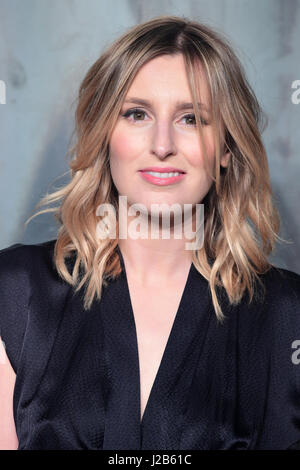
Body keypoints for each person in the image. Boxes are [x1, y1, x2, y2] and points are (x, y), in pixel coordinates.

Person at [1, 15, 300, 451]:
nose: (162, 145)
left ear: (227, 149)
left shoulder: (287, 314)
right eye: (137, 114)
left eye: (192, 118)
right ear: (105, 134)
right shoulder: (16, 293)